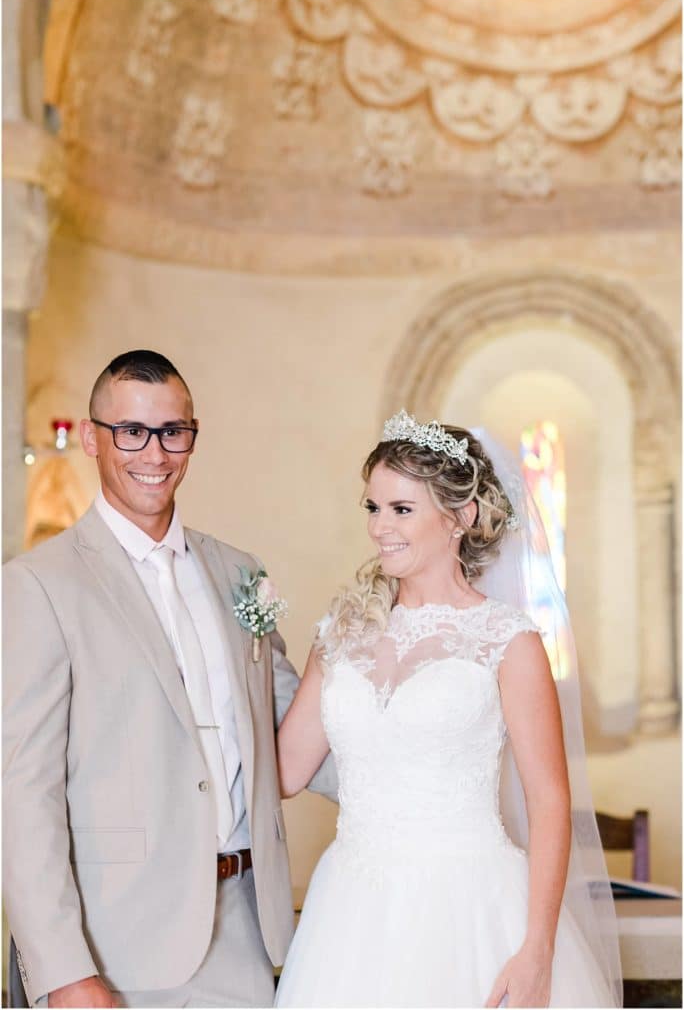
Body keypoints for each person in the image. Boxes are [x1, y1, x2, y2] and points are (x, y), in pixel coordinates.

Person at [3, 350, 336, 1008]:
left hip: (248, 929)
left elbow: (295, 722)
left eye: (172, 431)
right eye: (131, 431)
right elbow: (21, 793)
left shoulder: (247, 574)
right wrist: (64, 969)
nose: (153, 453)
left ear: (191, 436)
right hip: (113, 945)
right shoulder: (35, 584)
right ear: (95, 438)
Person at [275, 411, 621, 1008]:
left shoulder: (508, 641)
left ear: (459, 517)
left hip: (470, 908)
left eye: (401, 509)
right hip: (352, 913)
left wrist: (537, 949)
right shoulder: (340, 634)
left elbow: (549, 802)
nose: (380, 527)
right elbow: (283, 772)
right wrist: (239, 658)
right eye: (373, 508)